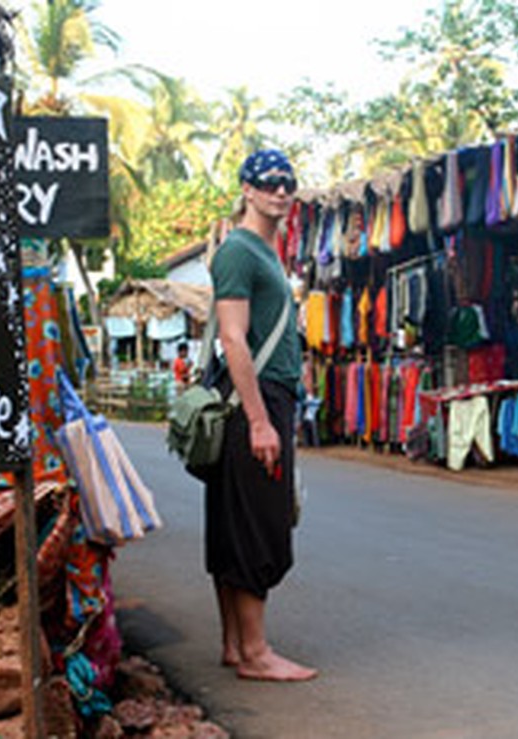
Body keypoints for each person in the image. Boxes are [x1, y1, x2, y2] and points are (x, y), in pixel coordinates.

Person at [205, 149, 317, 682]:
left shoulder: (268, 252)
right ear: (247, 189)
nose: (281, 192)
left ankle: (234, 645)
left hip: (268, 397)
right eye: (269, 183)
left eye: (288, 183)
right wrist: (258, 420)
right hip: (256, 399)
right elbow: (232, 337)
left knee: (235, 517)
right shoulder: (240, 252)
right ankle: (256, 652)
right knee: (258, 520)